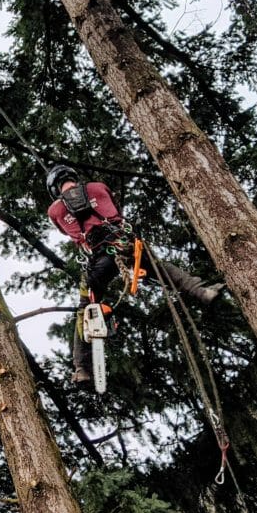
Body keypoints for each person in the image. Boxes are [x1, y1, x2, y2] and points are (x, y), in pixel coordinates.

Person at [45, 164, 224, 385]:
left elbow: (67, 232)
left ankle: (81, 368)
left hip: (98, 261)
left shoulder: (55, 211)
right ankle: (202, 292)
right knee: (161, 269)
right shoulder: (98, 187)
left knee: (85, 308)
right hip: (125, 245)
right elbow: (115, 210)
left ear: (54, 189)